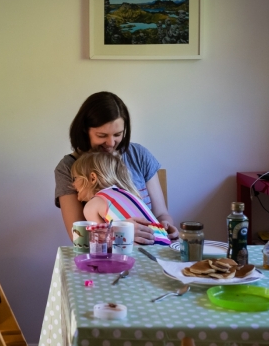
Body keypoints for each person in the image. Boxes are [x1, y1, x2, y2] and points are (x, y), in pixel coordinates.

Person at [54, 91, 179, 244]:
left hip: (151, 249)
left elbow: (161, 214)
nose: (111, 143)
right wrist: (120, 233)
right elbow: (79, 237)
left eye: (118, 134)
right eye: (102, 136)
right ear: (85, 130)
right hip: (105, 258)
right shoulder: (69, 167)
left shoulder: (138, 155)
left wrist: (166, 225)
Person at [71, 152, 171, 245]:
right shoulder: (128, 194)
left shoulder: (92, 205)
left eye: (75, 178)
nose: (72, 185)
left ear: (92, 178)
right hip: (166, 246)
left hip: (145, 253)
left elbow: (101, 244)